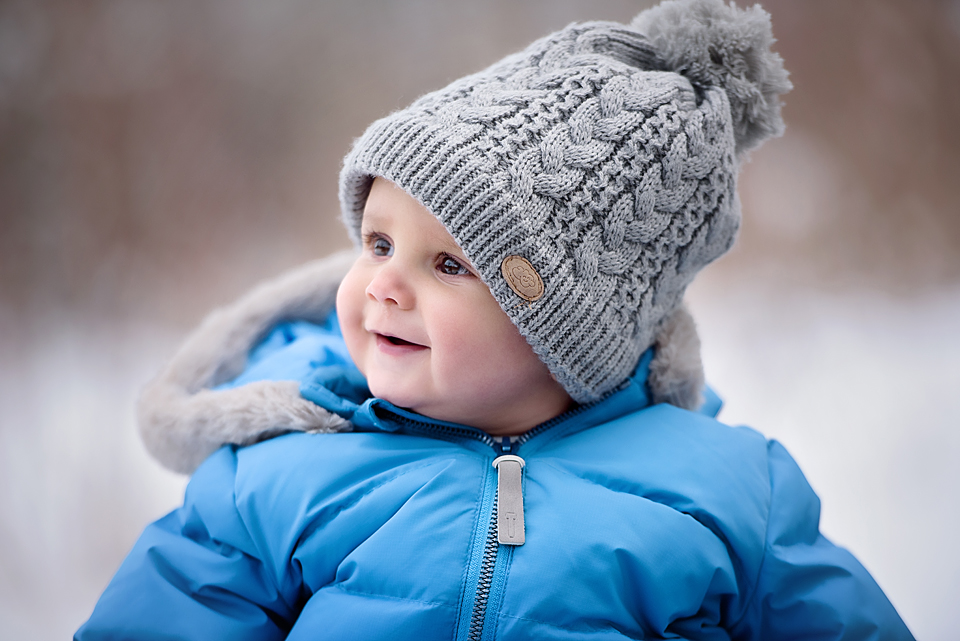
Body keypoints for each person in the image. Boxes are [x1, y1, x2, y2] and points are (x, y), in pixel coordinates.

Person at [76, 0, 914, 638]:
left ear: (574, 332)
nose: (382, 286)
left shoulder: (728, 495)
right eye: (376, 243)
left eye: (448, 265)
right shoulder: (275, 476)